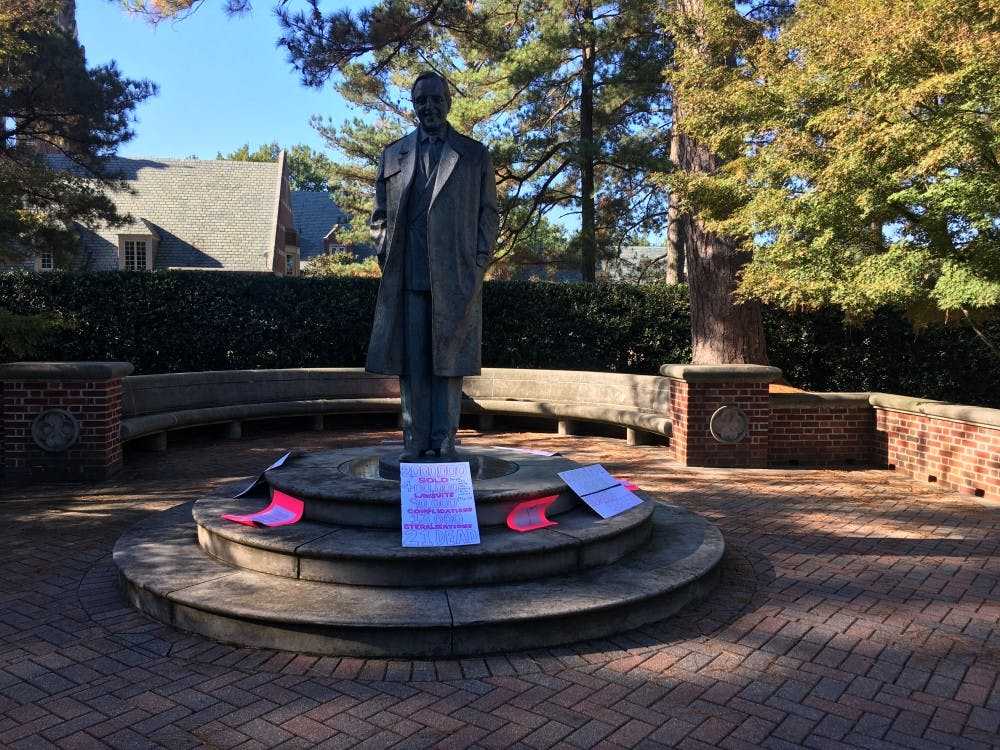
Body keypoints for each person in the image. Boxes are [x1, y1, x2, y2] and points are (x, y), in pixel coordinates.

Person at [365, 71, 499, 462]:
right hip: (407, 276)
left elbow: (488, 214)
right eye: (421, 100)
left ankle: (444, 441)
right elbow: (379, 216)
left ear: (448, 102)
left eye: (436, 99)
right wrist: (385, 255)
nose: (429, 107)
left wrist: (478, 262)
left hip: (455, 276)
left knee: (448, 362)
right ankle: (414, 441)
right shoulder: (393, 155)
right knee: (413, 363)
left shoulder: (473, 154)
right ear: (413, 106)